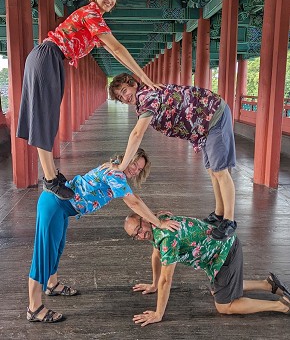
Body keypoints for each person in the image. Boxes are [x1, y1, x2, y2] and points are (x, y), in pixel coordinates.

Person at [17, 0, 161, 200]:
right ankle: (50, 180)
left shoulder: (95, 21)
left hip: (51, 59)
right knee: (44, 118)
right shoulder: (91, 13)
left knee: (48, 117)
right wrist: (143, 76)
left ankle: (52, 175)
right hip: (47, 57)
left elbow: (114, 50)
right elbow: (117, 48)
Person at [26, 149, 179, 323]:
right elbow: (133, 202)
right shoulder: (115, 173)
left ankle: (52, 285)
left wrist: (154, 215)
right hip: (54, 205)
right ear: (127, 158)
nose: (135, 170)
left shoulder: (116, 172)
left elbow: (135, 197)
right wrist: (159, 224)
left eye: (139, 169)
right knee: (44, 255)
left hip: (61, 208)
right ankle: (34, 307)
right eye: (134, 164)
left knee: (56, 248)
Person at [106, 73, 236, 240]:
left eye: (125, 90)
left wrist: (122, 166)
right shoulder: (143, 98)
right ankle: (219, 214)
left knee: (220, 171)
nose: (124, 97)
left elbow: (137, 134)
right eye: (120, 96)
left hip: (213, 116)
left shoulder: (146, 97)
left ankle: (229, 221)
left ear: (133, 84)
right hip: (202, 126)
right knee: (212, 170)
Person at [124, 213, 290, 327]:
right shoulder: (158, 222)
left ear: (143, 219)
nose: (140, 235)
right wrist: (153, 284)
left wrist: (158, 314)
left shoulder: (167, 238)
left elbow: (166, 280)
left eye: (139, 229)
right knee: (218, 292)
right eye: (135, 236)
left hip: (225, 252)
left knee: (224, 306)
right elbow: (155, 255)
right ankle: (268, 285)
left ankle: (282, 305)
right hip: (217, 255)